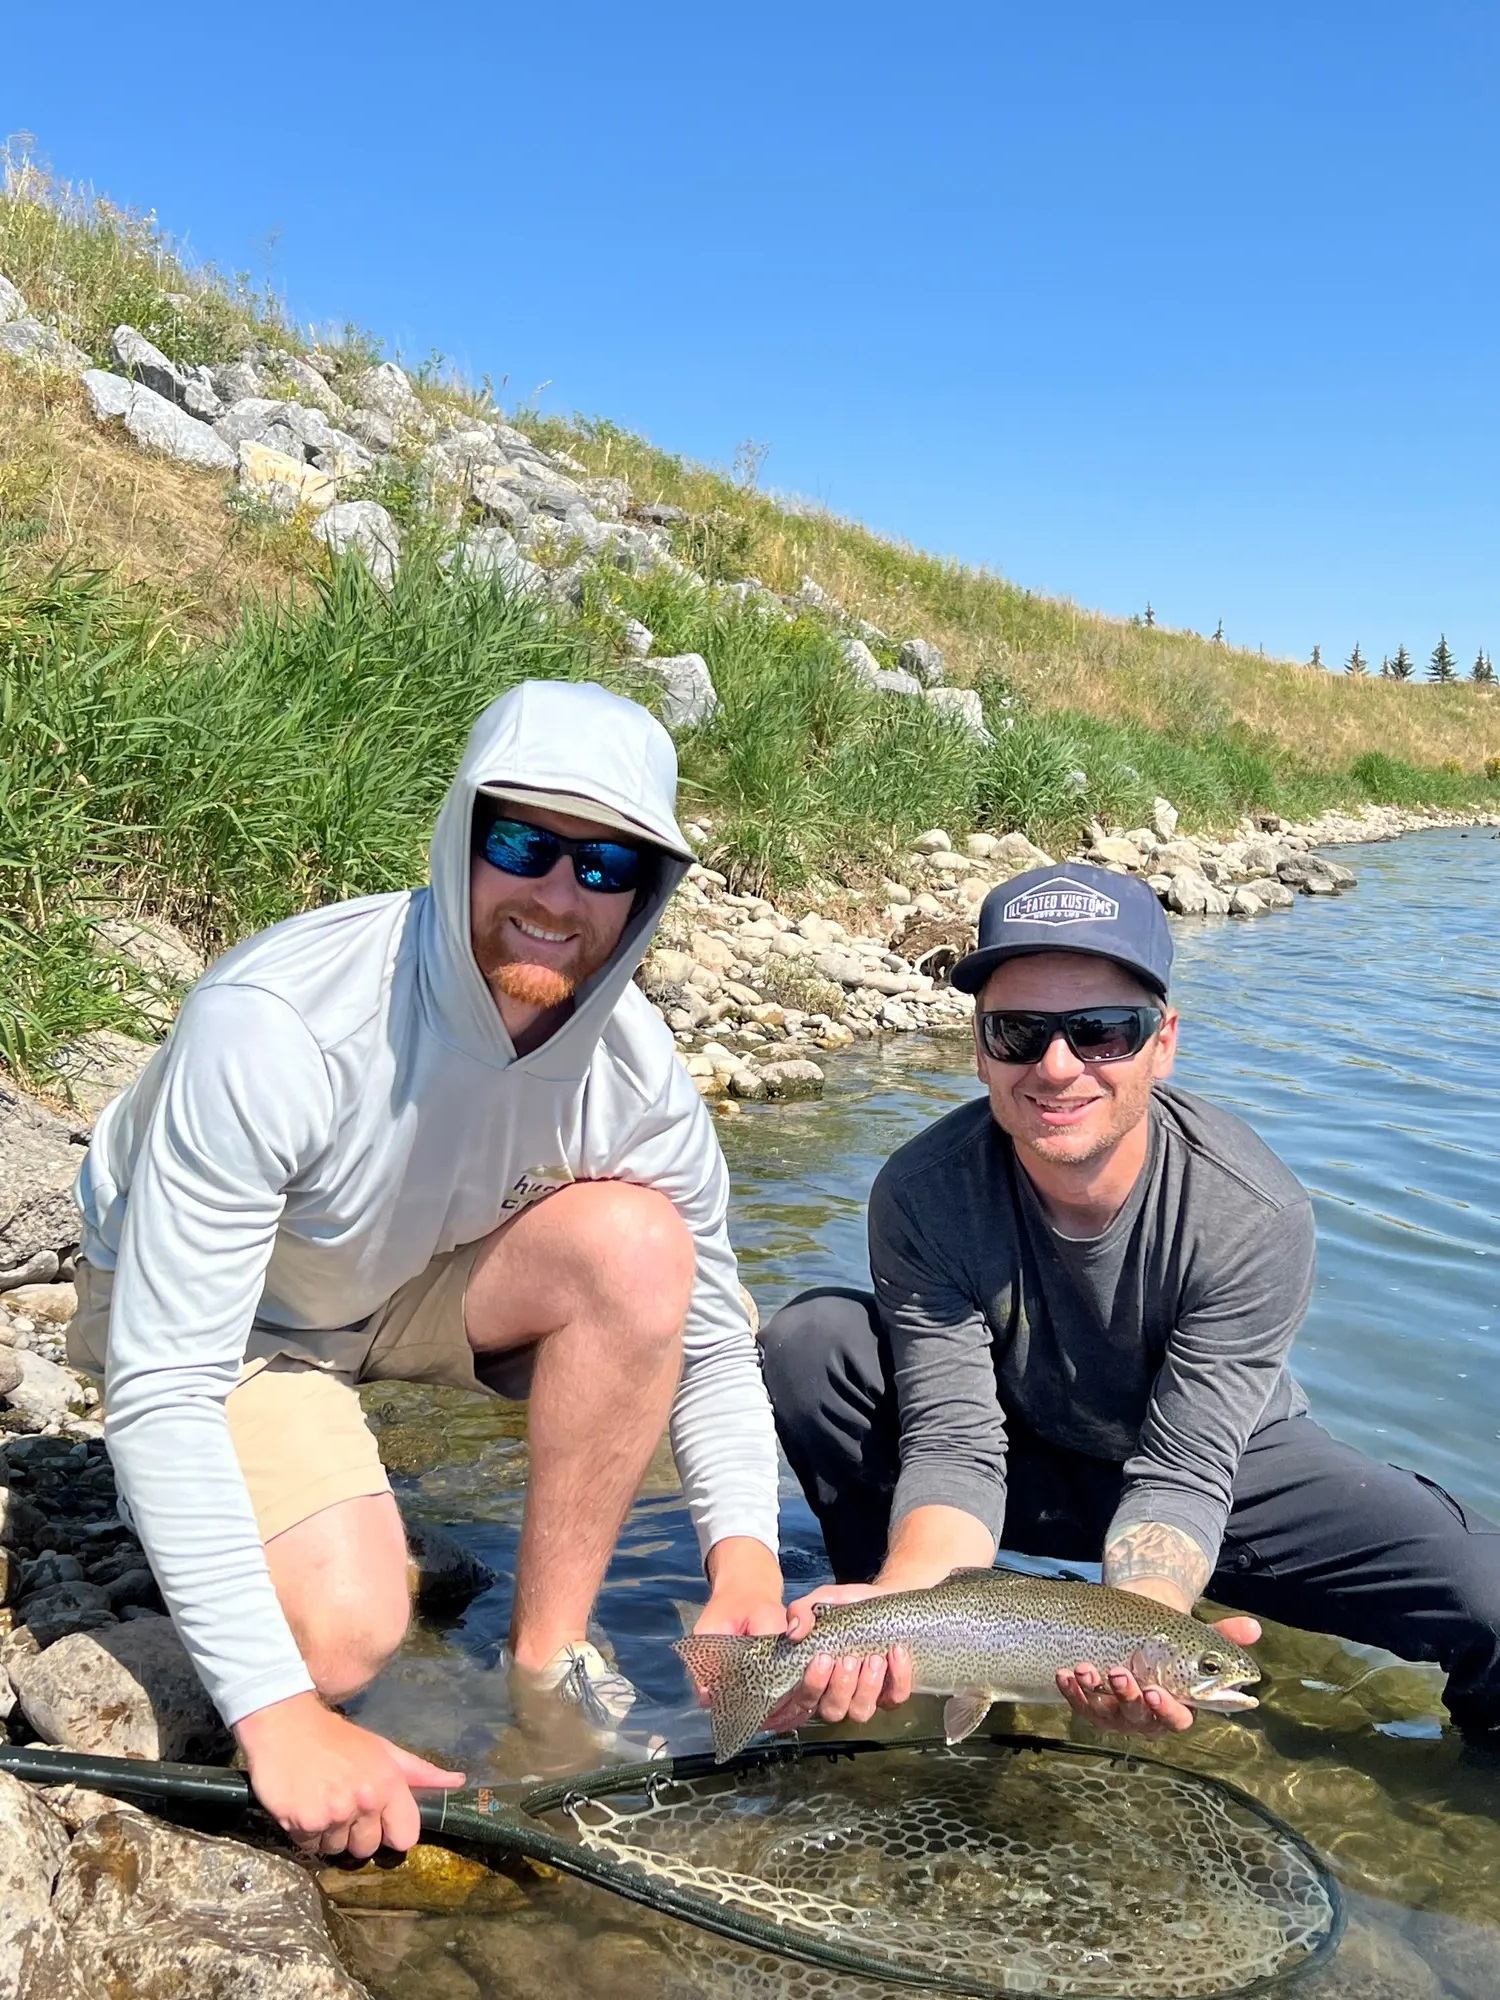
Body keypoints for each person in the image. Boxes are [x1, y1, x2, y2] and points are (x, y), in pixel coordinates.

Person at [69, 679, 785, 1860]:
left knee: (639, 1247)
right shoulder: (278, 1022)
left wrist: (746, 1560)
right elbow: (163, 1382)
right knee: (342, 1641)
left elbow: (709, 1340)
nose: (559, 895)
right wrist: (279, 1715)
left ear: (647, 893)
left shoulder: (638, 1071)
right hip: (228, 1322)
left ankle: (545, 1668)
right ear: (460, 834)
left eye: (606, 865)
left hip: (398, 1281)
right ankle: (248, 1544)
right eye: (524, 844)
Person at [760, 864, 1500, 1742]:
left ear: (1164, 1041)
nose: (1058, 1064)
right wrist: (897, 1606)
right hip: (1021, 1448)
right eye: (1019, 1030)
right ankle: (881, 1650)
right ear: (978, 1045)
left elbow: (1185, 1472)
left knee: (1489, 1598)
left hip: (1228, 1468)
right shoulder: (923, 1191)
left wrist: (1141, 1638)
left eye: (1103, 1031)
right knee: (814, 1343)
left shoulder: (1250, 1211)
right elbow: (955, 1444)